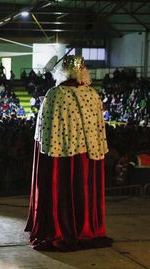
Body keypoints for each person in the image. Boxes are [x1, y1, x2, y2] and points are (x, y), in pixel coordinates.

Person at [25, 55, 113, 251]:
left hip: (60, 159)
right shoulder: (92, 95)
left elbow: (44, 134)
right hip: (88, 158)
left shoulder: (55, 94)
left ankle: (59, 228)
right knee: (84, 188)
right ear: (83, 71)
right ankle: (87, 228)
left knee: (61, 188)